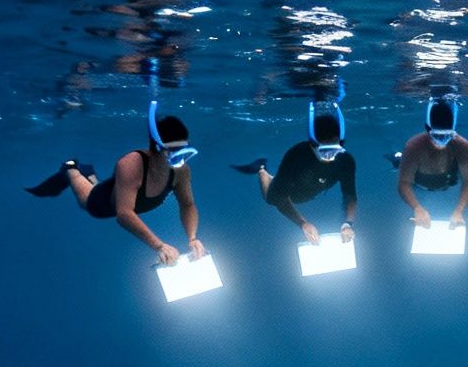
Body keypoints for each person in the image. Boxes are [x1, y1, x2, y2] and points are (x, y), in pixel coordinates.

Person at [24, 105, 205, 265]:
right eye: (175, 152)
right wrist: (159, 246)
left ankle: (88, 173)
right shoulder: (132, 164)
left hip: (121, 190)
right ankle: (72, 168)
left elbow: (187, 204)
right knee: (87, 201)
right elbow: (124, 214)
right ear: (158, 147)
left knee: (105, 185)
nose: (180, 160)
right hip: (103, 203)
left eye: (184, 151)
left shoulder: (181, 170)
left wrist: (192, 238)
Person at [232, 89, 359, 244]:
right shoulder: (297, 156)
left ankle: (270, 174)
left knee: (299, 196)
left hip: (311, 190)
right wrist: (303, 223)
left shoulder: (345, 160)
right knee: (271, 199)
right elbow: (279, 198)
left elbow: (350, 195)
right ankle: (261, 169)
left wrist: (347, 223)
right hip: (292, 188)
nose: (329, 155)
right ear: (313, 144)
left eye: (334, 150)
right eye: (324, 150)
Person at [390, 95, 468, 229]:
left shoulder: (463, 147)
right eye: (437, 136)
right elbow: (404, 183)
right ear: (428, 130)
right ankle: (398, 159)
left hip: (447, 182)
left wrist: (459, 211)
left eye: (447, 136)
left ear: (454, 132)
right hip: (419, 183)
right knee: (399, 163)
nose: (441, 141)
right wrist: (417, 207)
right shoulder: (414, 146)